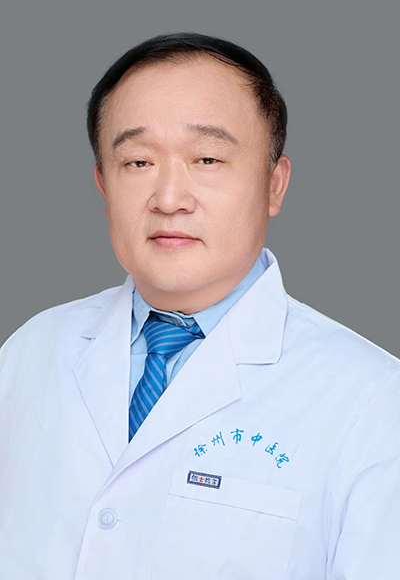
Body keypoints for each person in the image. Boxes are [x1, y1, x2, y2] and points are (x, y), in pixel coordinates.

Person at [0, 31, 399, 580]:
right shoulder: (30, 351)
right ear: (103, 185)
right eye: (137, 162)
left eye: (207, 158)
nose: (169, 199)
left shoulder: (374, 401)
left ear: (274, 185)